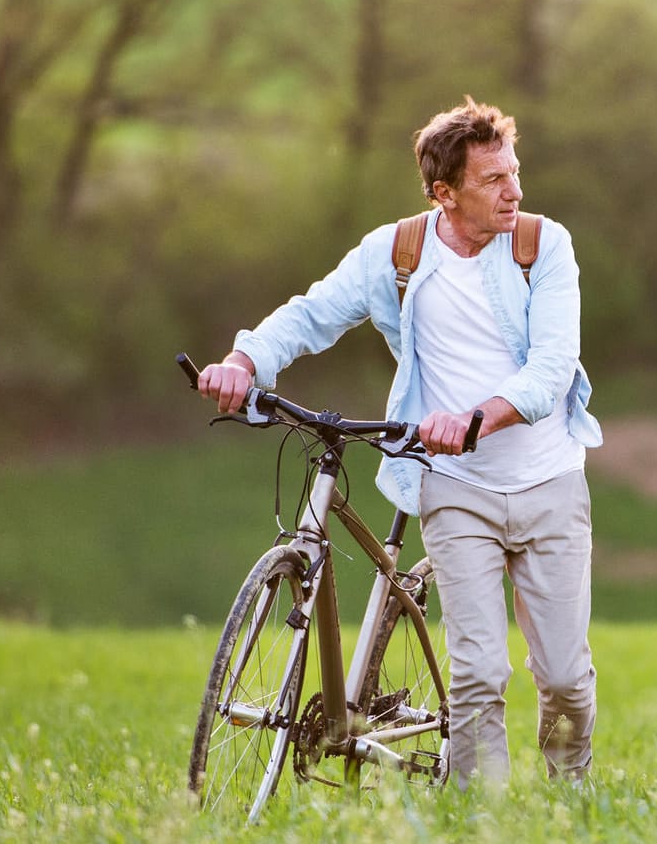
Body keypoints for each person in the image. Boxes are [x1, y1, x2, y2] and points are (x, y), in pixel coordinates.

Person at [195, 97, 603, 787]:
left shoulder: (542, 245)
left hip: (548, 482)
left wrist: (476, 418)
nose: (516, 190)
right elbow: (313, 313)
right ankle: (483, 823)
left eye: (515, 172)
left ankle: (573, 797)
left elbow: (551, 369)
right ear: (445, 193)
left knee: (564, 678)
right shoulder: (399, 252)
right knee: (477, 672)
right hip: (455, 489)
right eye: (494, 180)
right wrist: (245, 362)